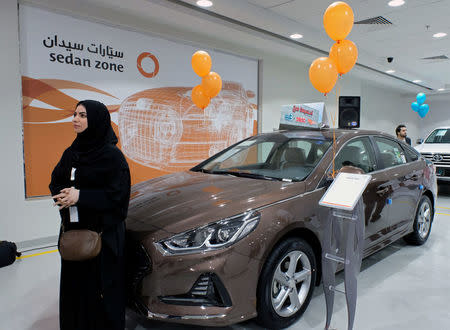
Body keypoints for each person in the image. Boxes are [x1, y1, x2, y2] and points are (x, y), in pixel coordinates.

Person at [49, 100, 131, 330]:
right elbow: (55, 181)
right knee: (75, 291)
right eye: (74, 114)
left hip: (103, 240)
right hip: (75, 236)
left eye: (82, 115)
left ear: (96, 120)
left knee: (100, 295)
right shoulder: (71, 153)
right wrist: (62, 195)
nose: (75, 119)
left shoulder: (113, 157)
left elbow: (118, 197)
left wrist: (81, 197)